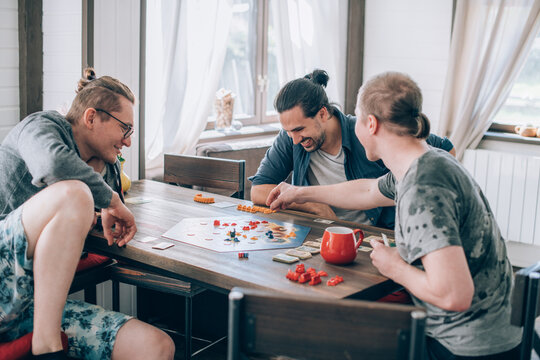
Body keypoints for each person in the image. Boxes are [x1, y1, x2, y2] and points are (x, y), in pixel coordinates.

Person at [266, 72, 522, 359]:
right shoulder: (424, 162)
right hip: (487, 332)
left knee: (327, 343)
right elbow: (366, 191)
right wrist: (300, 193)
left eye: (358, 118)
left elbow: (454, 295)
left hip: (466, 347)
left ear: (371, 124)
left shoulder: (422, 187)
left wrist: (394, 267)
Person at [0, 68, 175, 359]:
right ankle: (48, 348)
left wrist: (99, 209)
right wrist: (110, 200)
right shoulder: (41, 125)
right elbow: (53, 166)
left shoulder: (101, 166)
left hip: (32, 305)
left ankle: (46, 338)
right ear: (91, 117)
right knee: (76, 194)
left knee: (157, 347)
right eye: (125, 129)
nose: (128, 141)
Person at [249, 69, 455, 229]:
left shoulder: (369, 135)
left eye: (299, 129)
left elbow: (446, 150)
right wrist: (312, 203)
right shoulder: (292, 138)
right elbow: (366, 190)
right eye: (288, 132)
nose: (294, 140)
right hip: (322, 233)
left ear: (322, 114)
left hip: (374, 236)